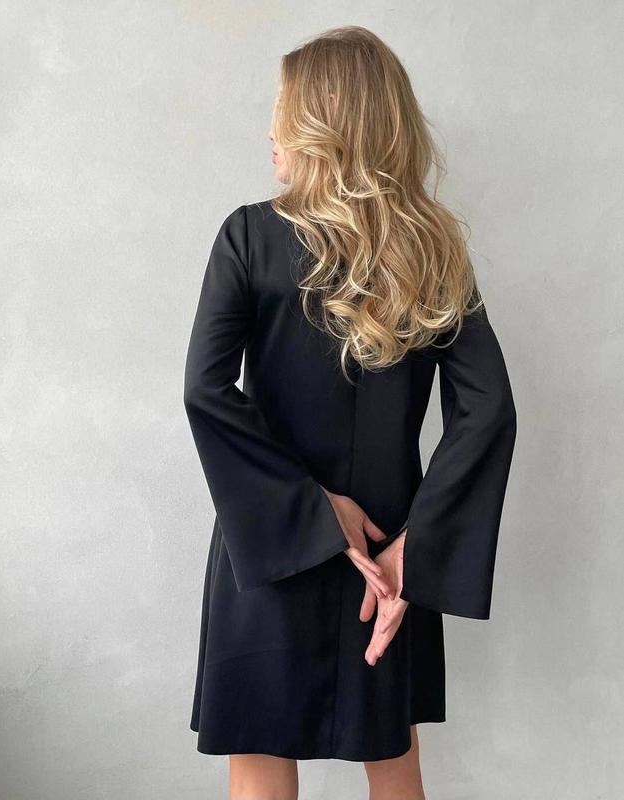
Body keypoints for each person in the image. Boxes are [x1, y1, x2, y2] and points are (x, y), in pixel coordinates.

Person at [183, 24, 517, 800]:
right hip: (387, 549)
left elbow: (205, 389)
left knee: (259, 767)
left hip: (269, 533)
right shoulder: (431, 252)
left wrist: (310, 509)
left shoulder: (248, 237)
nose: (270, 132)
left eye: (282, 112)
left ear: (321, 126)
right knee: (393, 766)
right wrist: (415, 547)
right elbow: (489, 408)